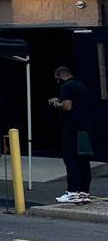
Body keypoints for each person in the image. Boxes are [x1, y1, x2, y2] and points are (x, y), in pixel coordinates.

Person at [49, 66, 93, 203]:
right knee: (84, 160)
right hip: (84, 128)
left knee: (70, 158)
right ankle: (84, 192)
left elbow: (67, 106)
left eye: (57, 80)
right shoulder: (81, 85)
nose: (57, 82)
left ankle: (72, 191)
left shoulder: (66, 87)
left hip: (71, 128)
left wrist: (55, 103)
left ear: (59, 75)